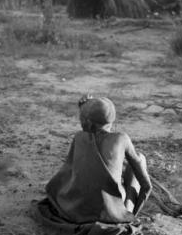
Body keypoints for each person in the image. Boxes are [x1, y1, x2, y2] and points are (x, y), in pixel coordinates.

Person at [45, 95, 152, 225]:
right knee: (139, 159)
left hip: (77, 211)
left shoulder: (79, 138)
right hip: (111, 214)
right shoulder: (122, 139)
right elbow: (146, 186)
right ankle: (126, 215)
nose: (80, 122)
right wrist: (130, 214)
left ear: (88, 123)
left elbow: (66, 175)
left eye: (82, 119)